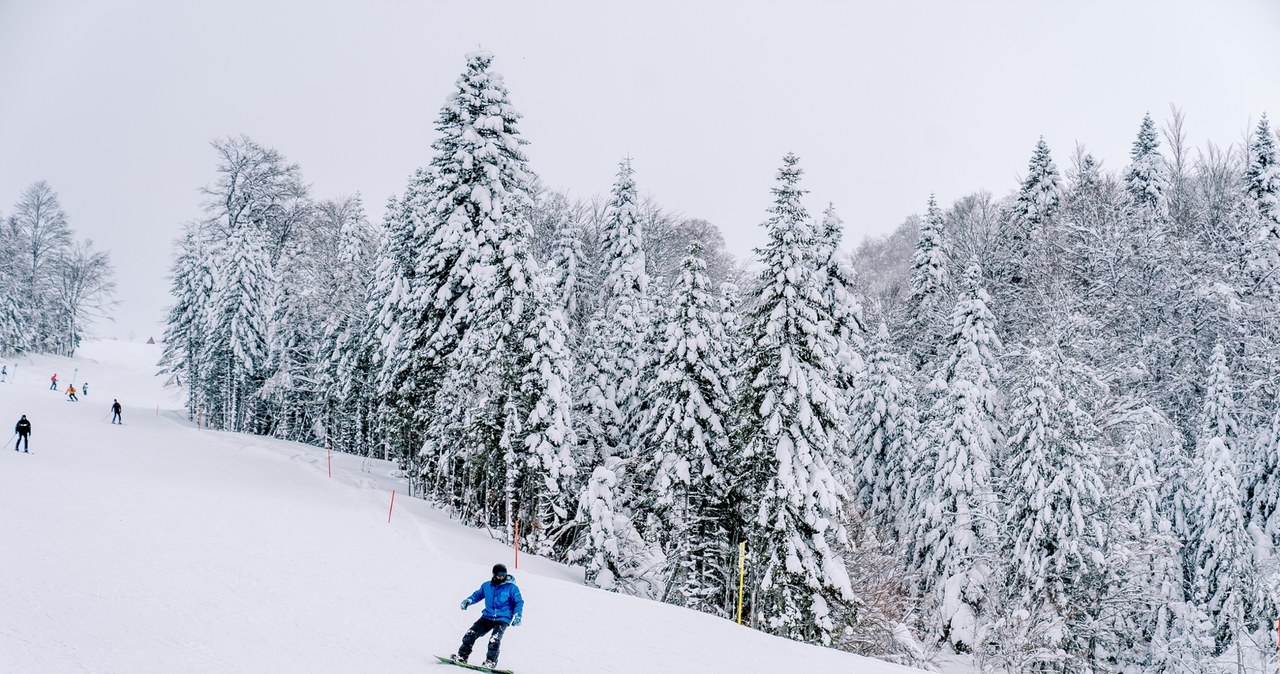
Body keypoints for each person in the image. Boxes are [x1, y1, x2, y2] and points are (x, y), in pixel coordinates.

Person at [451, 563, 523, 669]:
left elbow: (519, 602)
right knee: (470, 634)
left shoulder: (512, 588)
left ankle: (490, 662)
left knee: (494, 639)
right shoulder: (487, 586)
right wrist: (469, 600)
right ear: (494, 574)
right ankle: (462, 656)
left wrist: (518, 616)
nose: (501, 577)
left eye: (504, 575)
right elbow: (478, 595)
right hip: (487, 616)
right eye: (499, 575)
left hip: (503, 618)